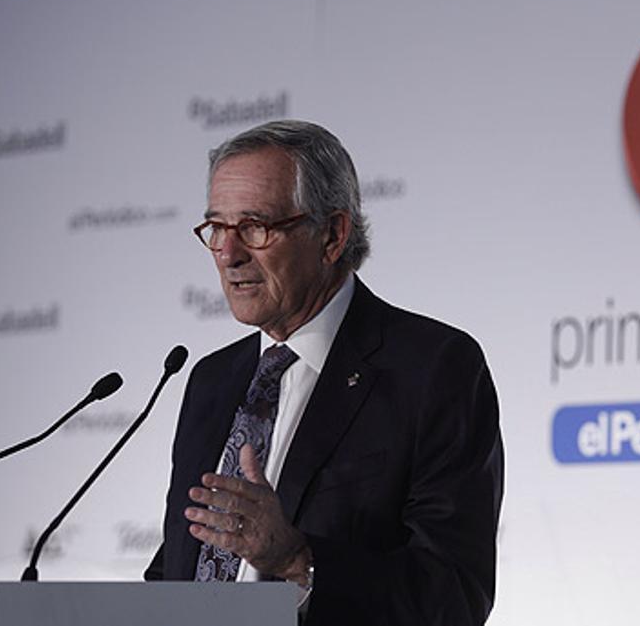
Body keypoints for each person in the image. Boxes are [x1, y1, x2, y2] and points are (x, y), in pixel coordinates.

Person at [144, 120, 504, 626]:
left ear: (332, 235)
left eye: (254, 226)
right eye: (217, 228)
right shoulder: (212, 379)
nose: (228, 254)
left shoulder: (432, 369)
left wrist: (298, 560)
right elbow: (179, 567)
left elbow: (454, 595)